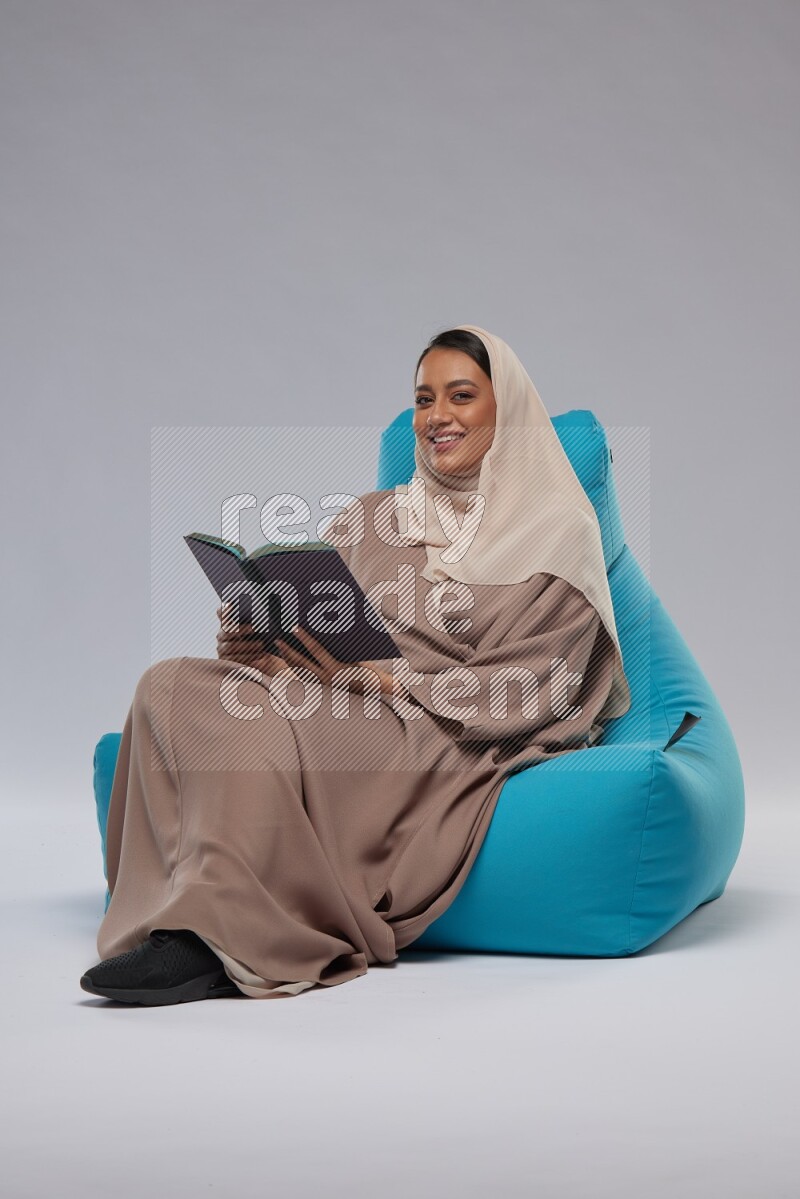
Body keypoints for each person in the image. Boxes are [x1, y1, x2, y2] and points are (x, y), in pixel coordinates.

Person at [80, 324, 631, 1005]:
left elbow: (540, 683)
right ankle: (167, 915)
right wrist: (265, 644)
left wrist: (387, 682)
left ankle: (218, 940)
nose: (438, 417)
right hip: (340, 696)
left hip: (438, 727)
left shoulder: (557, 530)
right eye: (425, 398)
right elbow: (332, 636)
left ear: (507, 409)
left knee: (257, 725)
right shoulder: (372, 520)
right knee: (167, 685)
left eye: (461, 395)